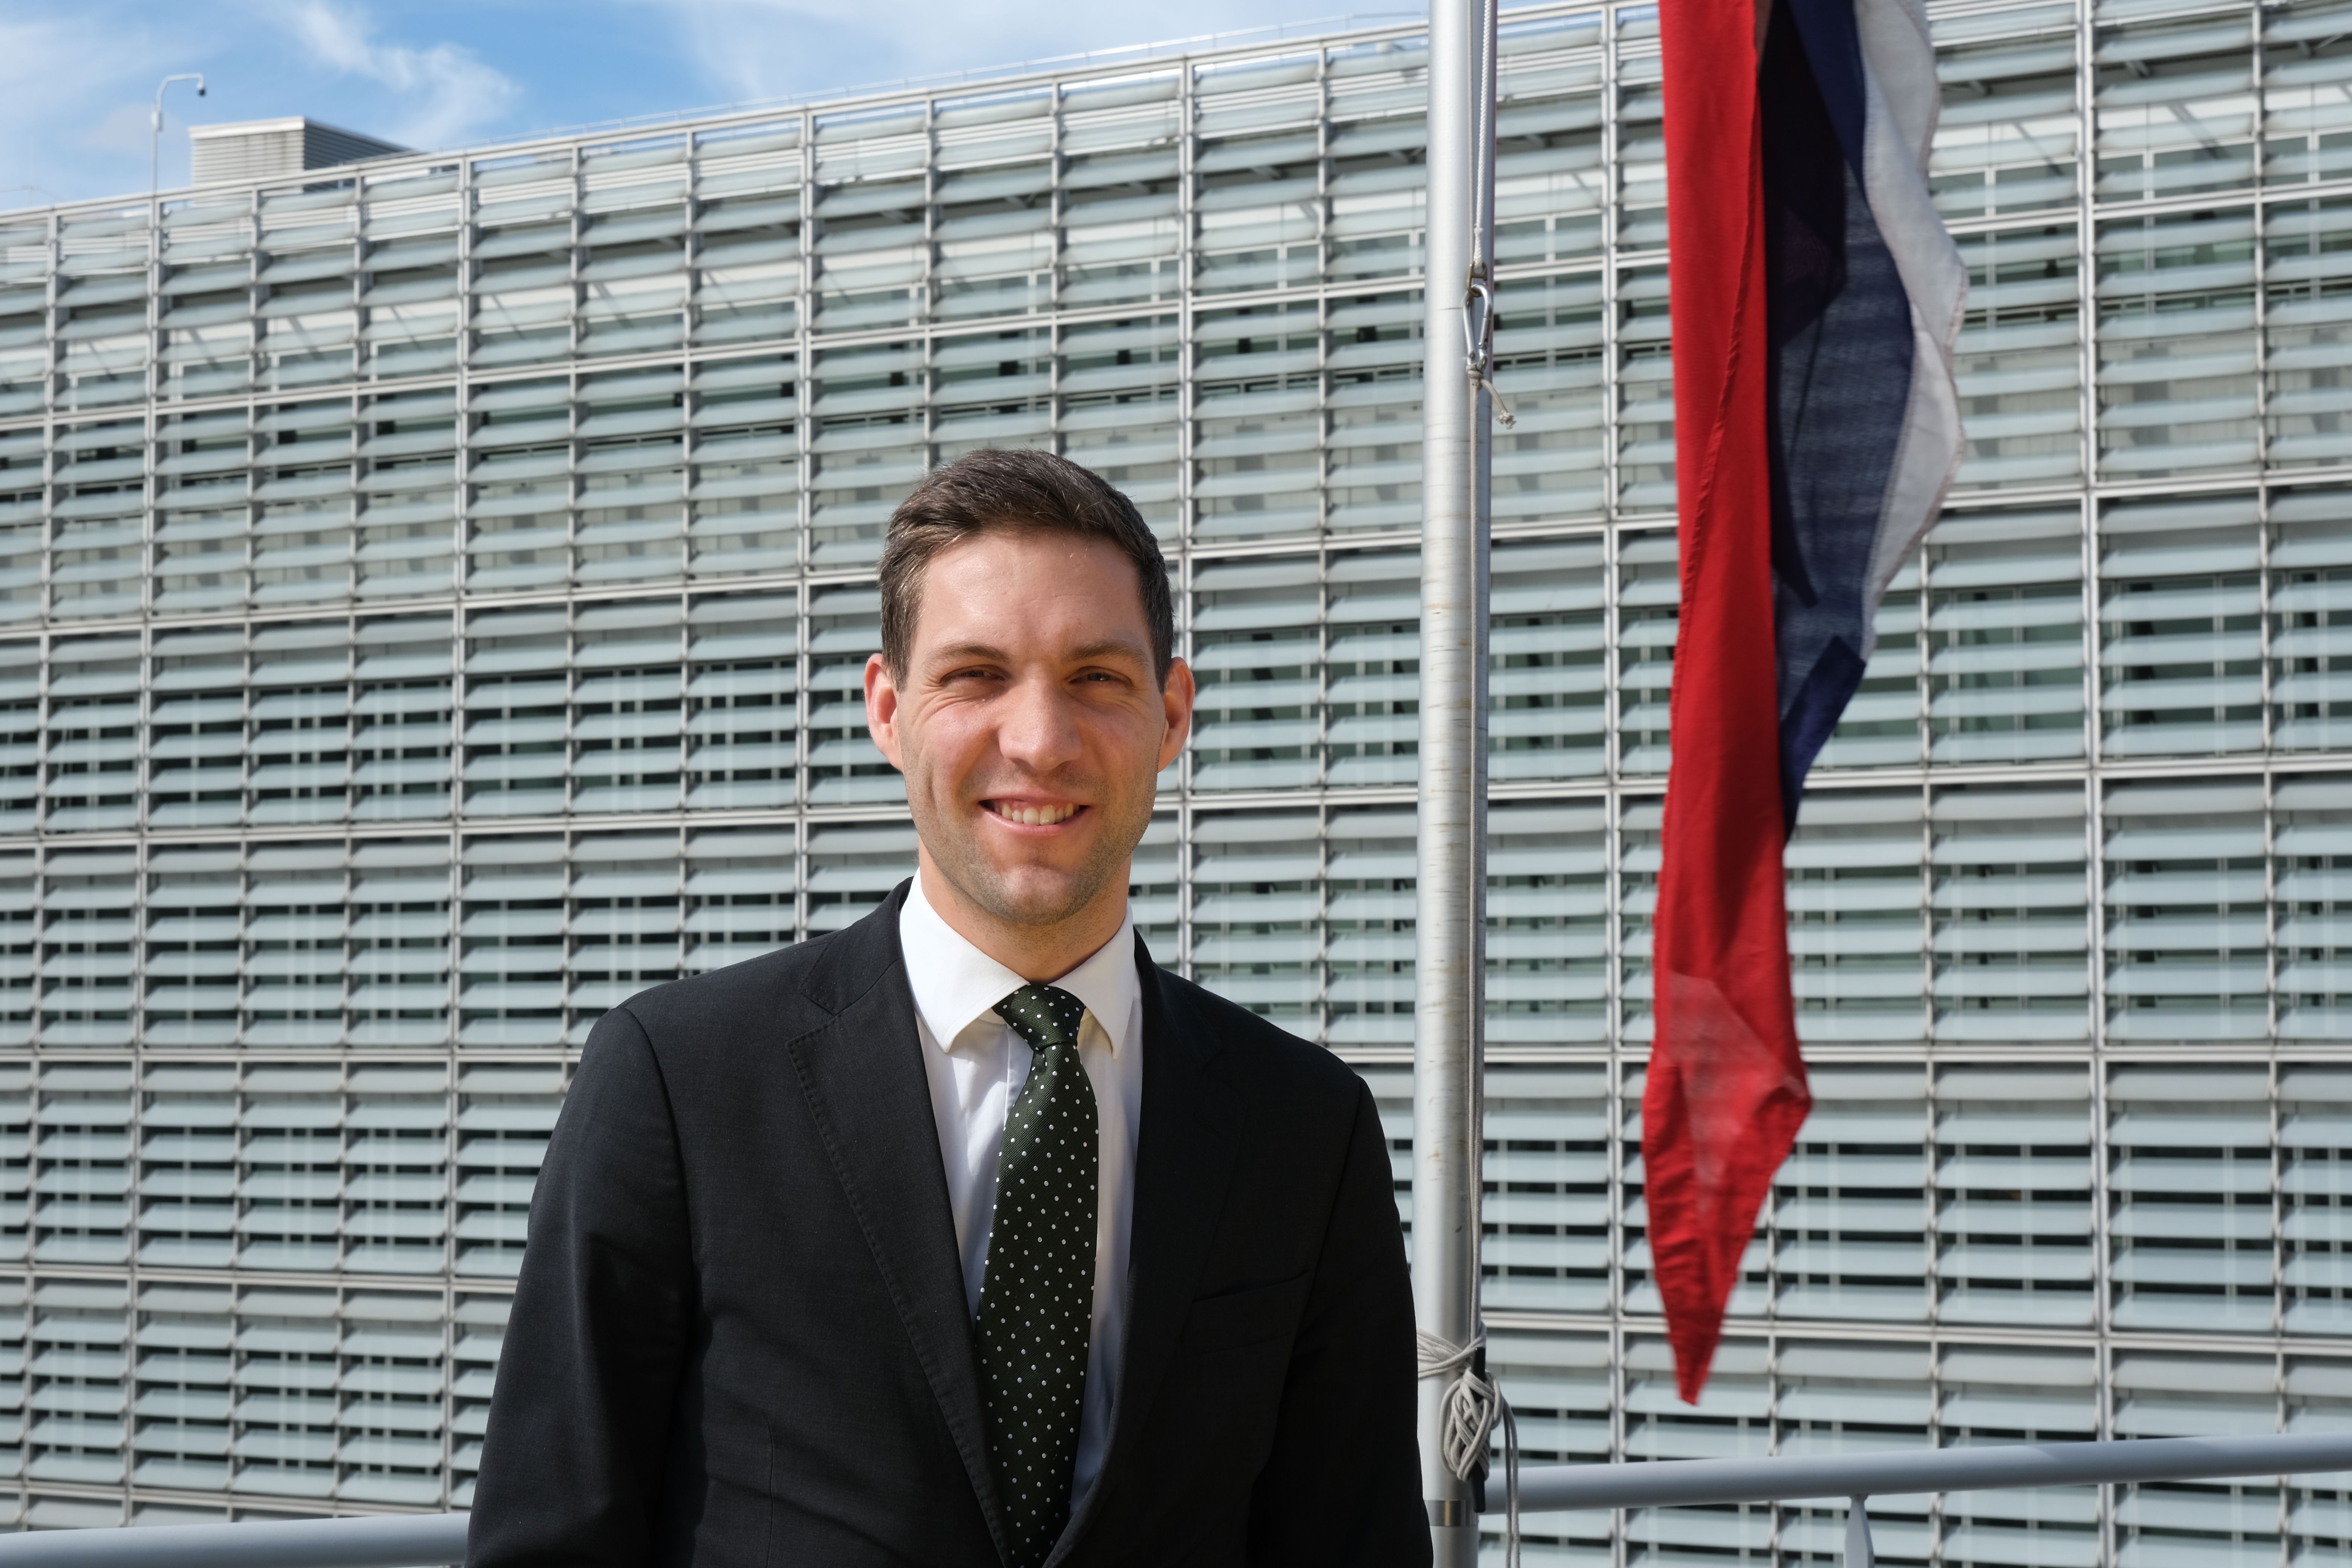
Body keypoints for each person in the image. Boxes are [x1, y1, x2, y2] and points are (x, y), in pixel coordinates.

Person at [466, 448, 1428, 1568]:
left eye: (1098, 679)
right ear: (889, 709)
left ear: (1172, 715)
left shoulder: (1303, 1127)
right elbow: (552, 1538)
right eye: (976, 675)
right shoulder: (680, 1082)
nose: (1039, 740)